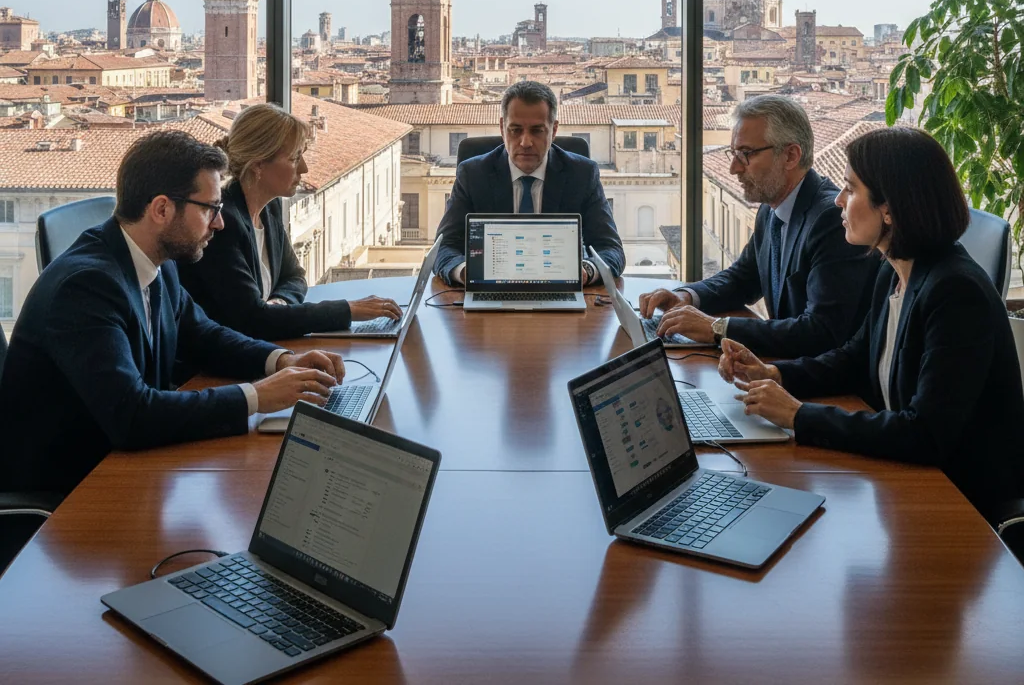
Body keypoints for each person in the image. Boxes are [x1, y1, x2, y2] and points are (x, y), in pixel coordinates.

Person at [0, 131, 347, 500]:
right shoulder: (86, 286)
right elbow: (133, 416)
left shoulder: (157, 261)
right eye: (210, 209)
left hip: (124, 465)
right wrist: (257, 397)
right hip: (70, 493)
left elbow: (204, 335)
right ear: (162, 209)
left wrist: (280, 360)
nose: (219, 223)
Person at [718, 126, 1024, 522]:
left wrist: (798, 415)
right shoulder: (892, 267)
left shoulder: (955, 293)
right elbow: (854, 358)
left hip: (961, 504)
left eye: (851, 189)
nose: (838, 202)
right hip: (908, 481)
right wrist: (774, 373)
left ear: (890, 208)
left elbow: (924, 434)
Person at [639, 95, 877, 357]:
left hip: (825, 386)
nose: (733, 168)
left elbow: (821, 331)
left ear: (790, 155)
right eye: (734, 153)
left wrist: (717, 328)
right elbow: (743, 278)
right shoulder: (771, 207)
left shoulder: (831, 219)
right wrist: (685, 297)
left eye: (746, 154)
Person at [177, 103, 401, 340]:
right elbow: (253, 319)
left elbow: (294, 276)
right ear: (259, 165)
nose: (304, 168)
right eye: (295, 158)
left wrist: (279, 302)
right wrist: (347, 310)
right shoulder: (223, 225)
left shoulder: (268, 208)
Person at [434, 81, 625, 286]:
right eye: (515, 130)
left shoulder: (582, 174)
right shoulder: (473, 174)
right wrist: (466, 272)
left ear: (554, 130)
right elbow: (444, 247)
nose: (525, 142)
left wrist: (586, 269)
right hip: (491, 290)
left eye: (537, 130)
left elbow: (611, 249)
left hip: (561, 290)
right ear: (502, 128)